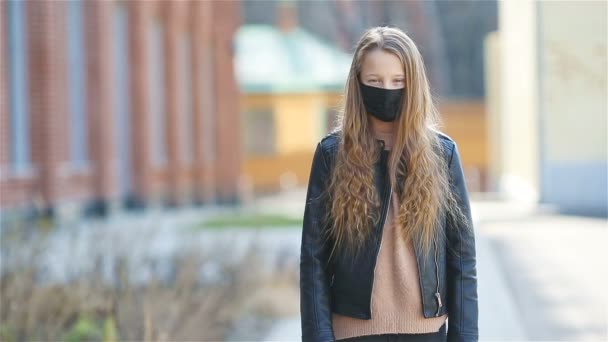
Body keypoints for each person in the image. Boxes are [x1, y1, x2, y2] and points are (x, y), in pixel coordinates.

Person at [299, 26, 478, 342]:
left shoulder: (443, 154)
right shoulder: (331, 155)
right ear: (358, 83)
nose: (387, 90)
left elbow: (462, 258)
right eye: (374, 81)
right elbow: (313, 259)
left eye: (398, 82)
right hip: (353, 332)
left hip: (426, 332)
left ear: (414, 85)